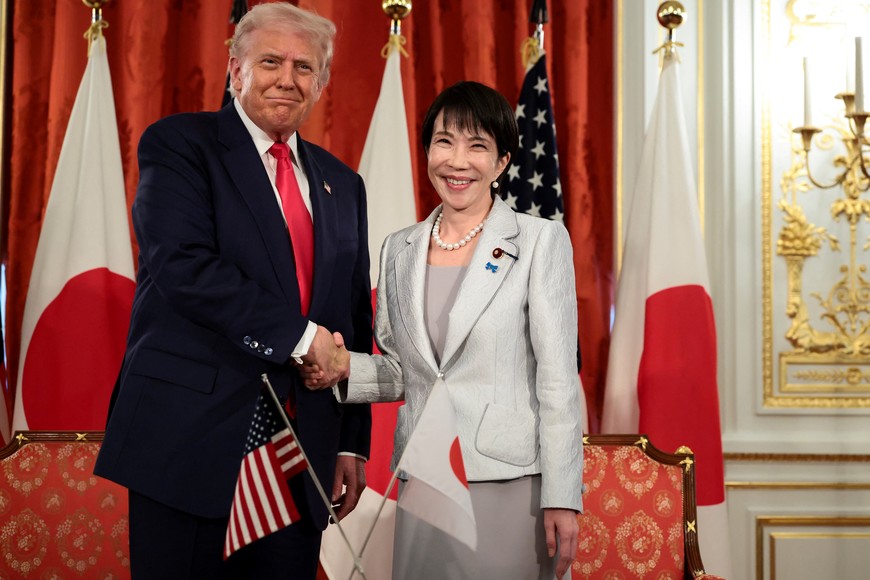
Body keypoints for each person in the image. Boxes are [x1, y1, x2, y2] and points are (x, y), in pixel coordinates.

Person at [94, 3, 372, 578]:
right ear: (235, 68)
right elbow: (184, 267)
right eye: (271, 61)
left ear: (321, 83)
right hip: (188, 440)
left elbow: (351, 317)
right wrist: (303, 340)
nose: (287, 79)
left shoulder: (343, 184)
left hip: (300, 452)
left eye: (304, 67)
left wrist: (351, 441)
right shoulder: (180, 145)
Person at [303, 81, 584, 579]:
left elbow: (558, 380)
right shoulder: (399, 248)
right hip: (424, 477)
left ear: (501, 162)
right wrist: (345, 369)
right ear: (428, 151)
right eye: (444, 141)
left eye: (477, 146)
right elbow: (406, 372)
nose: (457, 161)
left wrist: (563, 495)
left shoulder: (540, 241)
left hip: (508, 482)